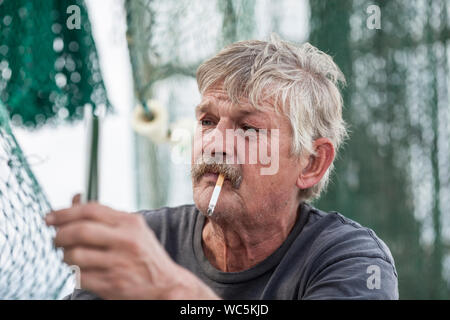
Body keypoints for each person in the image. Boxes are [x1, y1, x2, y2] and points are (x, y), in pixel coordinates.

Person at [46, 35, 399, 300]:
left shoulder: (350, 260)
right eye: (207, 121)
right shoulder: (146, 240)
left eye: (248, 129)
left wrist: (167, 286)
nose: (215, 144)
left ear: (311, 162)